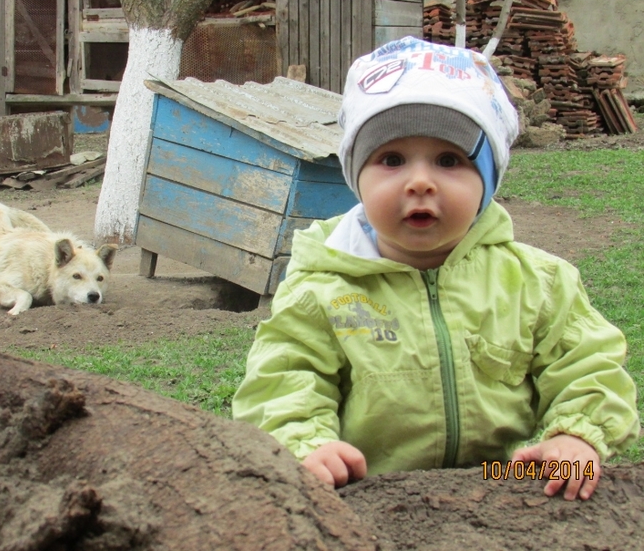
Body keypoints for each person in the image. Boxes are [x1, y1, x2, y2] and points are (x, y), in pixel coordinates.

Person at [232, 37, 640, 501]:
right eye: (391, 159)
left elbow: (587, 365)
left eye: (449, 160)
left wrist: (577, 435)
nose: (420, 181)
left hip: (500, 484)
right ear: (355, 176)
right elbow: (282, 380)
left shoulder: (536, 283)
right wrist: (307, 445)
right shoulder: (321, 287)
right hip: (374, 493)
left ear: (487, 183)